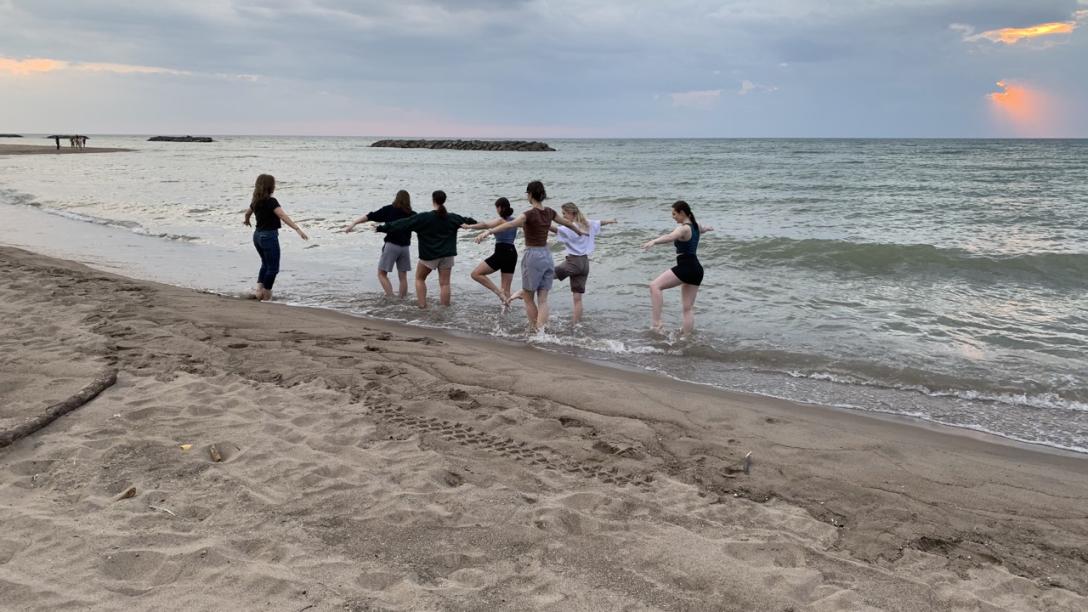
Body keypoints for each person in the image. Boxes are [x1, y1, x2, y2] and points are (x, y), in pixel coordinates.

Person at [474, 181, 585, 333]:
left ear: (530, 194)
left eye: (527, 194)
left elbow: (509, 224)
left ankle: (535, 331)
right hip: (547, 256)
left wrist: (488, 232)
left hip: (533, 256)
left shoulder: (528, 214)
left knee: (528, 297)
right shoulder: (550, 212)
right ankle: (542, 333)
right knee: (543, 299)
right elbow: (566, 223)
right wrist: (579, 233)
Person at [376, 190, 476, 309]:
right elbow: (469, 221)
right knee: (445, 284)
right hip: (448, 256)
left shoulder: (424, 217)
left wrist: (382, 228)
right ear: (444, 200)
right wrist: (480, 225)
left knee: (420, 278)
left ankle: (422, 307)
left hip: (429, 255)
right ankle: (445, 310)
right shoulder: (453, 218)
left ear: (433, 200)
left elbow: (403, 223)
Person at [641, 200, 712, 336]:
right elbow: (703, 229)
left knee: (654, 286)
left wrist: (654, 241)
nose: (673, 216)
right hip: (697, 270)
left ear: (682, 213)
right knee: (687, 308)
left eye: (674, 214)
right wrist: (708, 228)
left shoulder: (684, 228)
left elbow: (671, 236)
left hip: (686, 267)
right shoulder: (696, 226)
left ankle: (657, 323)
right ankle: (686, 338)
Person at [242, 174, 309, 301]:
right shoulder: (272, 201)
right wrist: (297, 229)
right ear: (270, 186)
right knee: (273, 268)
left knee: (265, 264)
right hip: (268, 236)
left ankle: (258, 291)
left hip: (257, 236)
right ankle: (266, 295)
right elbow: (282, 216)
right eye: (274, 184)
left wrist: (247, 221)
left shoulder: (255, 201)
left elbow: (247, 213)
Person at [549, 202, 617, 325]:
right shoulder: (587, 223)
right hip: (585, 264)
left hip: (573, 262)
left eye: (564, 214)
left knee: (545, 276)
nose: (563, 216)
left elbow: (554, 229)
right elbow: (600, 222)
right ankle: (576, 326)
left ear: (572, 213)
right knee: (577, 299)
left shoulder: (568, 227)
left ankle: (525, 294)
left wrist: (541, 220)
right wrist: (610, 220)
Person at [342, 190, 415, 298]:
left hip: (392, 246)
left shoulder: (389, 209)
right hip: (405, 248)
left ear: (396, 198)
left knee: (381, 274)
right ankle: (402, 301)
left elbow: (370, 216)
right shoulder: (412, 214)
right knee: (403, 277)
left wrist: (354, 223)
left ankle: (391, 298)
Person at [461, 197, 519, 305]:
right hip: (512, 253)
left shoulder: (500, 220)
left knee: (476, 274)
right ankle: (506, 316)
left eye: (497, 208)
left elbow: (485, 225)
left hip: (501, 253)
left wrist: (468, 226)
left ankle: (498, 292)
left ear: (500, 208)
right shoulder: (515, 221)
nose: (496, 210)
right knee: (506, 290)